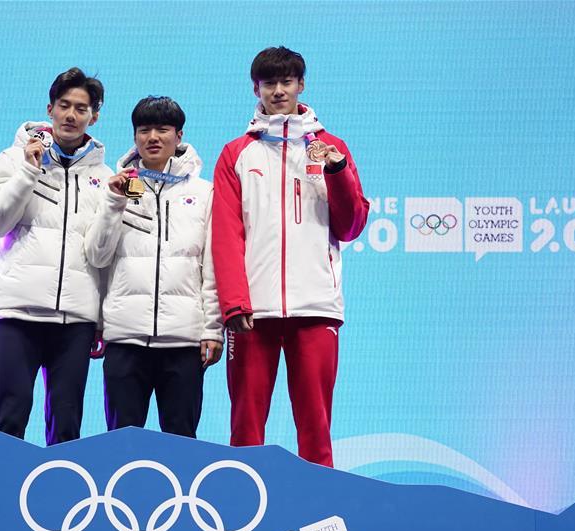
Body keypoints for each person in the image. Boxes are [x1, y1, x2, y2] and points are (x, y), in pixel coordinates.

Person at [211, 47, 369, 466]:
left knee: (316, 430)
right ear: (255, 89)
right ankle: (242, 515)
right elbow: (226, 234)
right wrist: (233, 303)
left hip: (315, 306)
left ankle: (320, 517)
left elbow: (351, 226)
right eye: (269, 83)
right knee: (246, 430)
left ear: (302, 85)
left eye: (286, 82)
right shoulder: (236, 154)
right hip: (252, 313)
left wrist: (337, 173)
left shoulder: (332, 147)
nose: (278, 91)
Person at [0, 67, 113, 445]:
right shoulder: (13, 158)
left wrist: (100, 319)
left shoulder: (104, 177)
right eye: (64, 106)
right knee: (10, 415)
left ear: (94, 116)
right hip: (17, 313)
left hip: (75, 320)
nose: (71, 115)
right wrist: (27, 171)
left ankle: (63, 502)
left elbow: (103, 254)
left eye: (81, 108)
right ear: (50, 108)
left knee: (67, 424)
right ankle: (0, 499)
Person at [86, 96, 223, 437]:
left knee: (182, 444)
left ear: (179, 136)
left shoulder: (205, 193)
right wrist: (114, 202)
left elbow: (212, 266)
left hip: (183, 341)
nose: (153, 138)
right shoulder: (115, 188)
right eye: (144, 130)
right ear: (134, 137)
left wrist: (212, 329)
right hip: (126, 338)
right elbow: (98, 257)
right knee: (121, 444)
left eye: (162, 129)